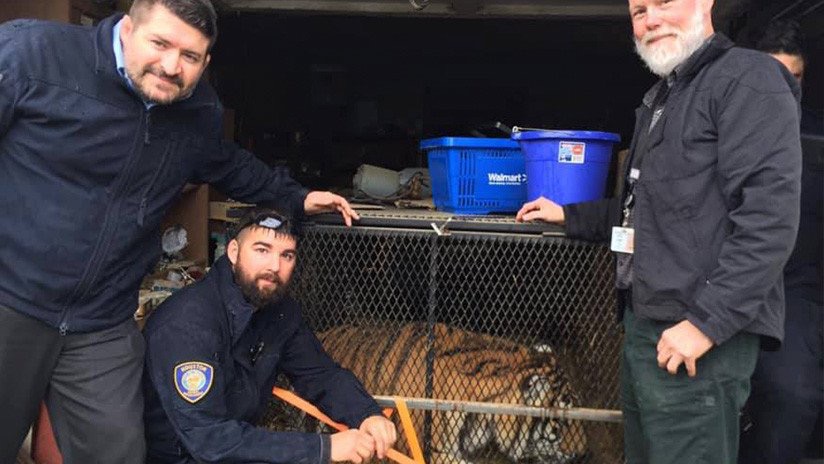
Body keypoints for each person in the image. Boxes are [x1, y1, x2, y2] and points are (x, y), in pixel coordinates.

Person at [0, 1, 360, 463]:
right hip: (11, 296)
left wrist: (297, 198)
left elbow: (226, 163)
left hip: (101, 319)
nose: (171, 66)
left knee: (117, 452)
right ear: (128, 29)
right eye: (160, 43)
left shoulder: (197, 111)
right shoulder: (33, 54)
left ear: (206, 62)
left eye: (190, 57)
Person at [516, 0, 802, 462]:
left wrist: (706, 323)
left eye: (663, 2)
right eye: (638, 11)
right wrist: (570, 215)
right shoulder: (662, 98)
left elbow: (770, 221)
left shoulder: (748, 79)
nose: (650, 20)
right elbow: (645, 212)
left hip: (699, 341)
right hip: (649, 329)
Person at [143, 209, 397, 463]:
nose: (274, 266)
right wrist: (324, 448)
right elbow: (208, 438)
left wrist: (366, 414)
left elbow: (319, 373)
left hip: (239, 450)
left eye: (286, 255)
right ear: (233, 252)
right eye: (262, 250)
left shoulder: (276, 310)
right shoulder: (187, 323)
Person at [738, 19, 823, 464]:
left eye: (795, 79)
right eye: (773, 77)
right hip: (726, 289)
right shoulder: (721, 128)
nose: (785, 91)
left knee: (793, 394)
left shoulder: (816, 142)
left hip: (794, 292)